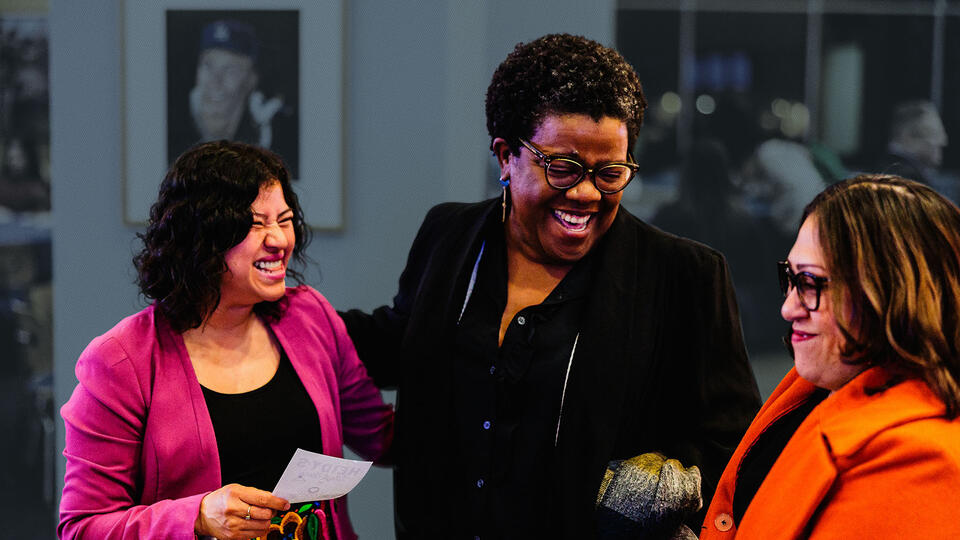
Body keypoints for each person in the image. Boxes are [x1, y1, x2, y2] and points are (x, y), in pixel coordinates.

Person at [340, 33, 761, 538]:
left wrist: (662, 491)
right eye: (562, 169)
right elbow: (400, 341)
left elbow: (737, 447)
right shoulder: (449, 235)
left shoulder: (684, 277)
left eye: (610, 173)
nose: (586, 194)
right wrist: (284, 314)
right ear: (505, 157)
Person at [58, 141, 393, 540]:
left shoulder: (310, 317)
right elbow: (81, 527)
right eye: (255, 224)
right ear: (202, 236)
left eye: (284, 220)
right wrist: (197, 517)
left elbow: (384, 437)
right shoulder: (120, 361)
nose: (279, 240)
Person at [701, 174, 960, 538]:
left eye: (811, 283)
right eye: (791, 278)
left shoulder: (922, 460)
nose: (788, 308)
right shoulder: (824, 379)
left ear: (891, 293)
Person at [167, 19, 298, 175]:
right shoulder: (171, 126)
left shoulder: (274, 135)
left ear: (251, 80)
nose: (216, 81)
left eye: (230, 70)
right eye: (208, 66)